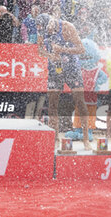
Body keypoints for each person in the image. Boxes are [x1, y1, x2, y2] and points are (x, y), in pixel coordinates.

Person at [36, 13, 91, 150]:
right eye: (44, 32)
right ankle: (55, 139)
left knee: (80, 102)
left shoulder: (67, 27)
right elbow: (39, 50)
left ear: (52, 23)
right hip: (55, 69)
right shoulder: (41, 28)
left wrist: (62, 50)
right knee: (52, 104)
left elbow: (81, 49)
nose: (46, 33)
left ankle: (85, 139)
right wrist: (50, 56)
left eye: (48, 31)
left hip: (72, 68)